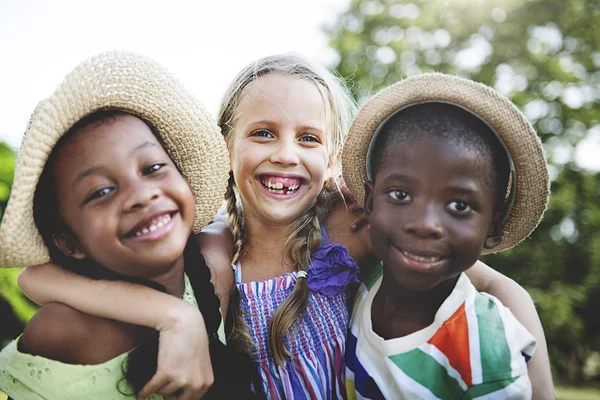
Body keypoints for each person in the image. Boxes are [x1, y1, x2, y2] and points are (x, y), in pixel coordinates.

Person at [17, 55, 554, 399]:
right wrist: (172, 317)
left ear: (334, 154)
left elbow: (501, 287)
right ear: (226, 145)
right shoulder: (208, 250)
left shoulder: (355, 229)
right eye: (263, 133)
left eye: (308, 139)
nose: (285, 155)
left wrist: (542, 390)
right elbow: (34, 278)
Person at [0, 52, 257, 400]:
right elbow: (31, 276)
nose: (141, 195)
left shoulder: (213, 262)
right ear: (68, 242)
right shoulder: (62, 332)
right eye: (101, 191)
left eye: (152, 168)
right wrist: (176, 316)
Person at [342, 73, 550, 399]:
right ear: (369, 202)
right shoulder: (363, 273)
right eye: (399, 195)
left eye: (458, 205)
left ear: (493, 228)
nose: (425, 224)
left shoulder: (488, 359)